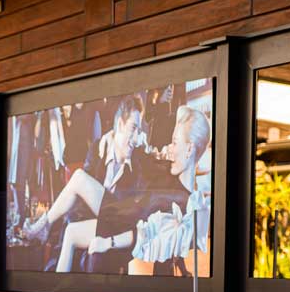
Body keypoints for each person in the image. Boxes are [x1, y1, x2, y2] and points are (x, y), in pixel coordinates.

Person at [84, 105, 212, 273]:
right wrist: (113, 137)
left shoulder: (180, 199)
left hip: (116, 228)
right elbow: (140, 154)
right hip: (115, 216)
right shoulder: (169, 174)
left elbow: (145, 233)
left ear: (189, 149)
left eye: (174, 142)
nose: (170, 148)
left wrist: (108, 243)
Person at [20, 95, 145, 254]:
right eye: (133, 128)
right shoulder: (98, 149)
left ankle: (44, 224)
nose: (136, 137)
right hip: (100, 220)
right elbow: (80, 195)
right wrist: (111, 136)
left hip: (119, 221)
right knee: (70, 231)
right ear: (120, 124)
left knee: (78, 177)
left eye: (138, 130)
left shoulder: (138, 158)